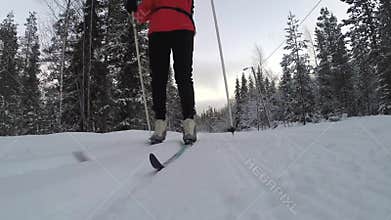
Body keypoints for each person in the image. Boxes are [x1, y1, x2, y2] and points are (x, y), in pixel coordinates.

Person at [125, 0, 197, 144]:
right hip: (159, 30)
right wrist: (132, 8)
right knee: (159, 77)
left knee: (182, 75)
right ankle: (160, 122)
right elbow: (140, 15)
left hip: (182, 26)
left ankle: (189, 121)